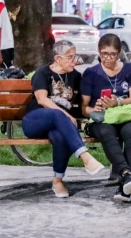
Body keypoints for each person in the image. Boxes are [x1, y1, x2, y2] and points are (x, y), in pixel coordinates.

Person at [23, 40, 104, 197]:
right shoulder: (43, 73)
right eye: (70, 57)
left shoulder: (75, 76)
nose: (74, 60)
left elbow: (86, 97)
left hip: (58, 125)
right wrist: (66, 115)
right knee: (58, 114)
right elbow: (42, 100)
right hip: (34, 120)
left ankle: (57, 181)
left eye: (75, 56)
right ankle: (85, 157)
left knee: (60, 137)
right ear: (58, 58)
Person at [81, 34, 131, 202]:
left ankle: (125, 187)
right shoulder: (91, 73)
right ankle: (127, 176)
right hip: (102, 118)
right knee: (106, 131)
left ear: (119, 53)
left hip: (125, 115)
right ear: (98, 51)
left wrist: (117, 102)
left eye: (113, 54)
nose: (108, 58)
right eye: (104, 53)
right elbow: (84, 107)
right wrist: (94, 109)